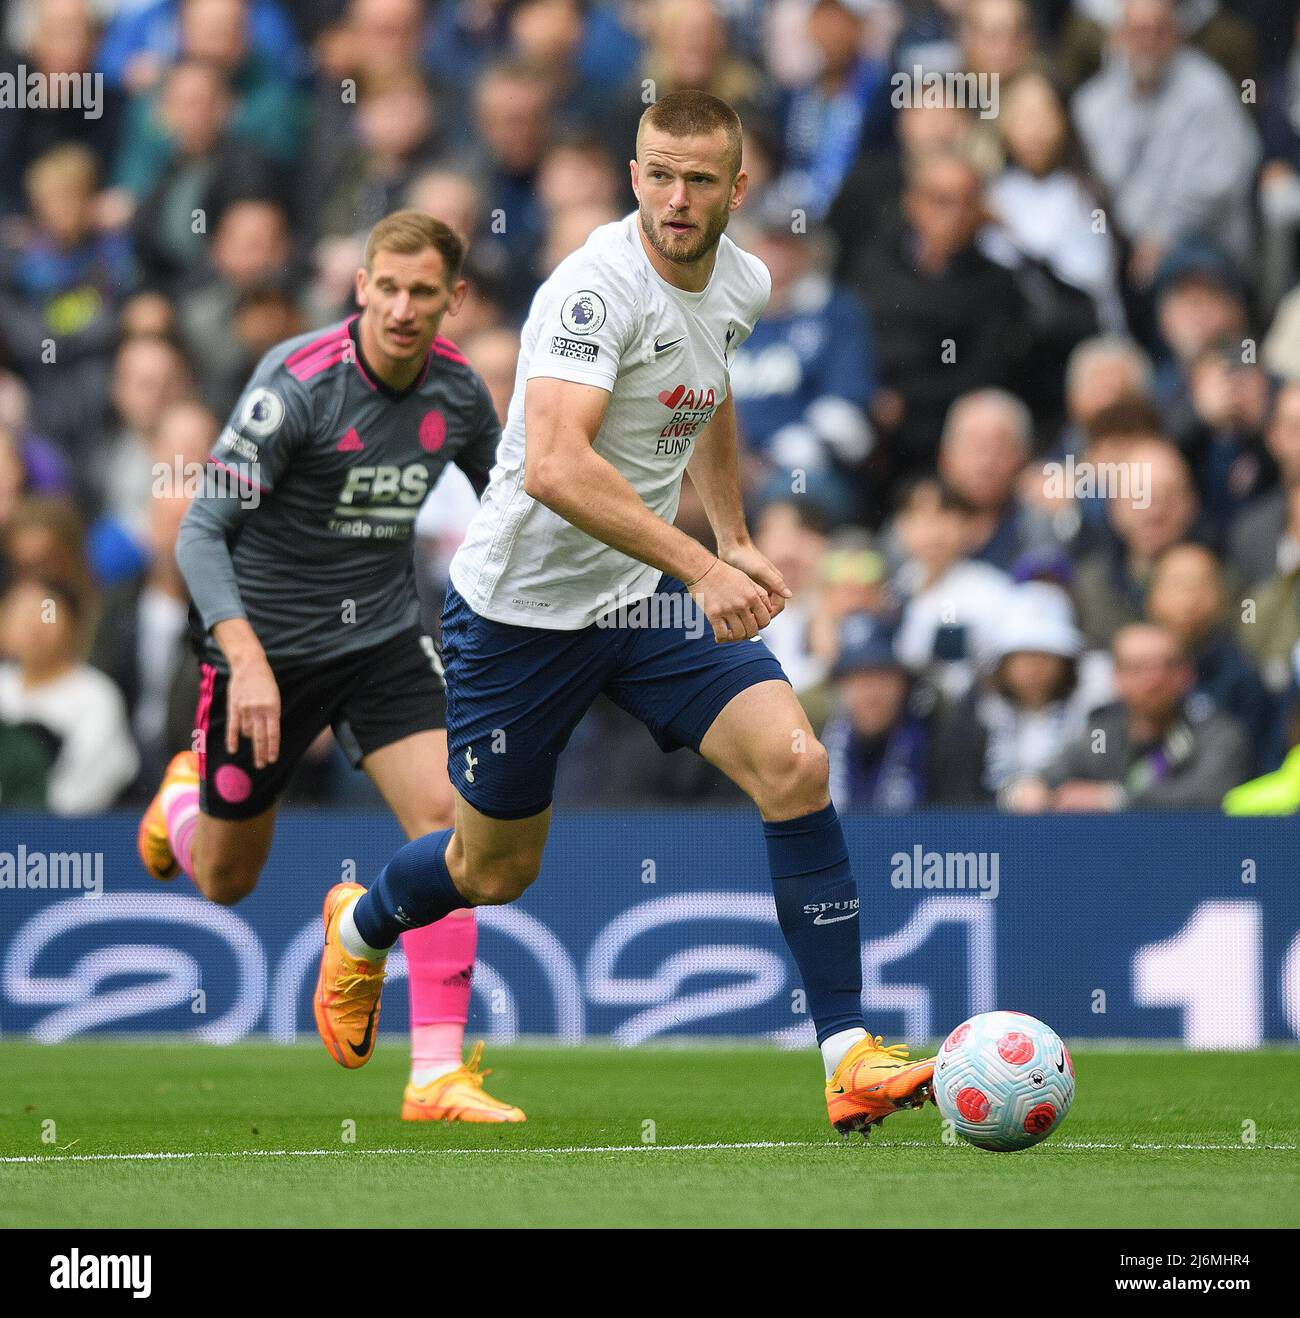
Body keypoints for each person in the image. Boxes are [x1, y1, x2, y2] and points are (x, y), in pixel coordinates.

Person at [311, 91, 936, 1139]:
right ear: (632, 172)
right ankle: (363, 923)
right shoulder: (593, 290)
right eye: (657, 173)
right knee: (492, 871)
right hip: (518, 616)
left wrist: (733, 534)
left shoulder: (742, 277)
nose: (675, 198)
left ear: (739, 187)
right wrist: (703, 564)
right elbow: (556, 465)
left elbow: (710, 387)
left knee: (795, 764)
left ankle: (846, 1056)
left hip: (637, 596)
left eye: (699, 179)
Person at [137, 210, 523, 1123]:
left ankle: (434, 1076)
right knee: (229, 879)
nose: (401, 307)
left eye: (422, 292)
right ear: (359, 287)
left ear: (452, 300)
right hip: (264, 647)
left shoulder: (460, 394)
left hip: (383, 641)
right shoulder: (298, 385)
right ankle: (182, 801)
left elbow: (511, 506)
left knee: (452, 826)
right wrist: (244, 657)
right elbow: (200, 530)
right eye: (385, 287)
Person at [1006, 621, 1249, 811]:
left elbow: (1209, 797)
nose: (1155, 680)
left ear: (1188, 675)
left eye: (1168, 666)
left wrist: (1114, 800)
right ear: (1116, 677)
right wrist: (1029, 789)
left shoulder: (1217, 733)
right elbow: (1052, 773)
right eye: (1139, 668)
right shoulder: (1105, 732)